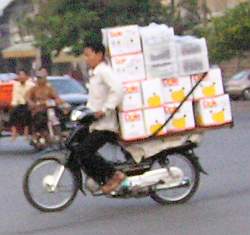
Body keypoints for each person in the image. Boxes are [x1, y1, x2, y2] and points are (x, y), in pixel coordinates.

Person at [76, 41, 126, 194]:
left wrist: (105, 110)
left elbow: (118, 90)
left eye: (88, 55)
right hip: (96, 124)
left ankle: (114, 175)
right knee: (79, 150)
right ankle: (101, 178)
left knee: (84, 151)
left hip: (106, 125)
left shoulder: (104, 71)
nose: (86, 58)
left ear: (99, 54)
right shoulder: (95, 74)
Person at [26, 68, 64, 139]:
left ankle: (60, 134)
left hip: (49, 109)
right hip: (38, 110)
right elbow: (28, 97)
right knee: (39, 119)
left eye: (42, 78)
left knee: (60, 115)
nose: (40, 79)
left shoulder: (49, 88)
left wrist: (58, 101)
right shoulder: (34, 89)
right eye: (39, 78)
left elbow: (57, 97)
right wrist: (31, 103)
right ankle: (38, 134)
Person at [9, 70, 34, 140]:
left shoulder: (31, 85)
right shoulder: (16, 85)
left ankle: (26, 133)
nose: (21, 77)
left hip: (28, 104)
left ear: (26, 76)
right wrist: (14, 105)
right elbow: (15, 96)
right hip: (18, 104)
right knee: (12, 112)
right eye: (19, 75)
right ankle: (14, 132)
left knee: (26, 113)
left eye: (22, 75)